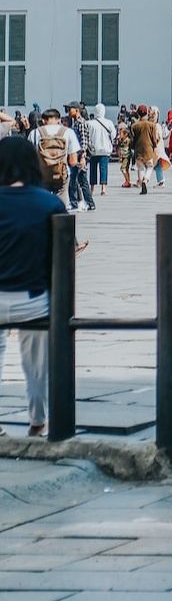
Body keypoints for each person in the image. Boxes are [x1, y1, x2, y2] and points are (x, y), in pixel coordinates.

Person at [0, 136, 66, 436]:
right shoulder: (50, 203)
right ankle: (38, 420)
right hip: (34, 298)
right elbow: (62, 258)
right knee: (36, 365)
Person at [29, 108, 80, 208]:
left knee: (41, 204)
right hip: (62, 174)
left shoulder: (34, 133)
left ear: (43, 120)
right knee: (62, 205)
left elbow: (29, 158)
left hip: (41, 174)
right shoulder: (68, 132)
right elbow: (73, 161)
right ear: (59, 119)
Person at [66, 103, 95, 212]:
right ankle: (84, 203)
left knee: (78, 180)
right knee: (78, 180)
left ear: (77, 110)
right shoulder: (75, 122)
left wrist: (83, 156)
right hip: (76, 155)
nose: (68, 111)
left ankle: (85, 203)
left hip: (79, 156)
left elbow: (84, 141)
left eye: (70, 109)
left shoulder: (80, 123)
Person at [130, 105, 160, 195]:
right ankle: (145, 180)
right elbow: (154, 138)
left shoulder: (134, 126)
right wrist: (155, 145)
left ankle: (141, 181)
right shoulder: (152, 125)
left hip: (138, 149)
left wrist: (133, 147)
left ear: (138, 114)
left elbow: (132, 140)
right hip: (148, 149)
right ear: (147, 113)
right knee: (150, 166)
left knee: (141, 167)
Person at [87, 104, 116, 197]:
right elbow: (113, 135)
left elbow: (87, 135)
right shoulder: (109, 122)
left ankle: (92, 189)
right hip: (105, 150)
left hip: (93, 150)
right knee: (104, 169)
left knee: (92, 169)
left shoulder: (89, 123)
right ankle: (103, 188)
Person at [116, 119, 132, 188]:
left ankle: (127, 181)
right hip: (123, 155)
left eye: (120, 133)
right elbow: (118, 148)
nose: (119, 135)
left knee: (123, 168)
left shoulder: (127, 140)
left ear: (125, 134)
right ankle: (127, 181)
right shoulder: (121, 140)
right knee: (126, 169)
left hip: (126, 156)